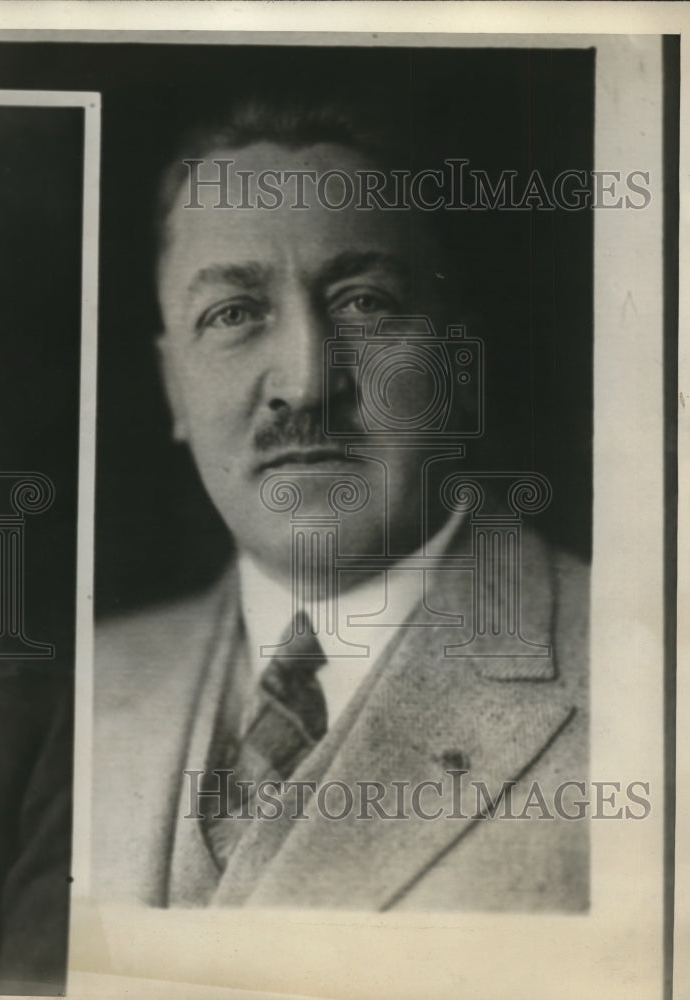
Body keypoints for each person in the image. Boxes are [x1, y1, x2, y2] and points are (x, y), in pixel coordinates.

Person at [91, 97, 589, 912]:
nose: (305, 385)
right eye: (233, 314)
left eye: (364, 302)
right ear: (172, 386)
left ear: (456, 370)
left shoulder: (647, 680)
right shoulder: (79, 693)